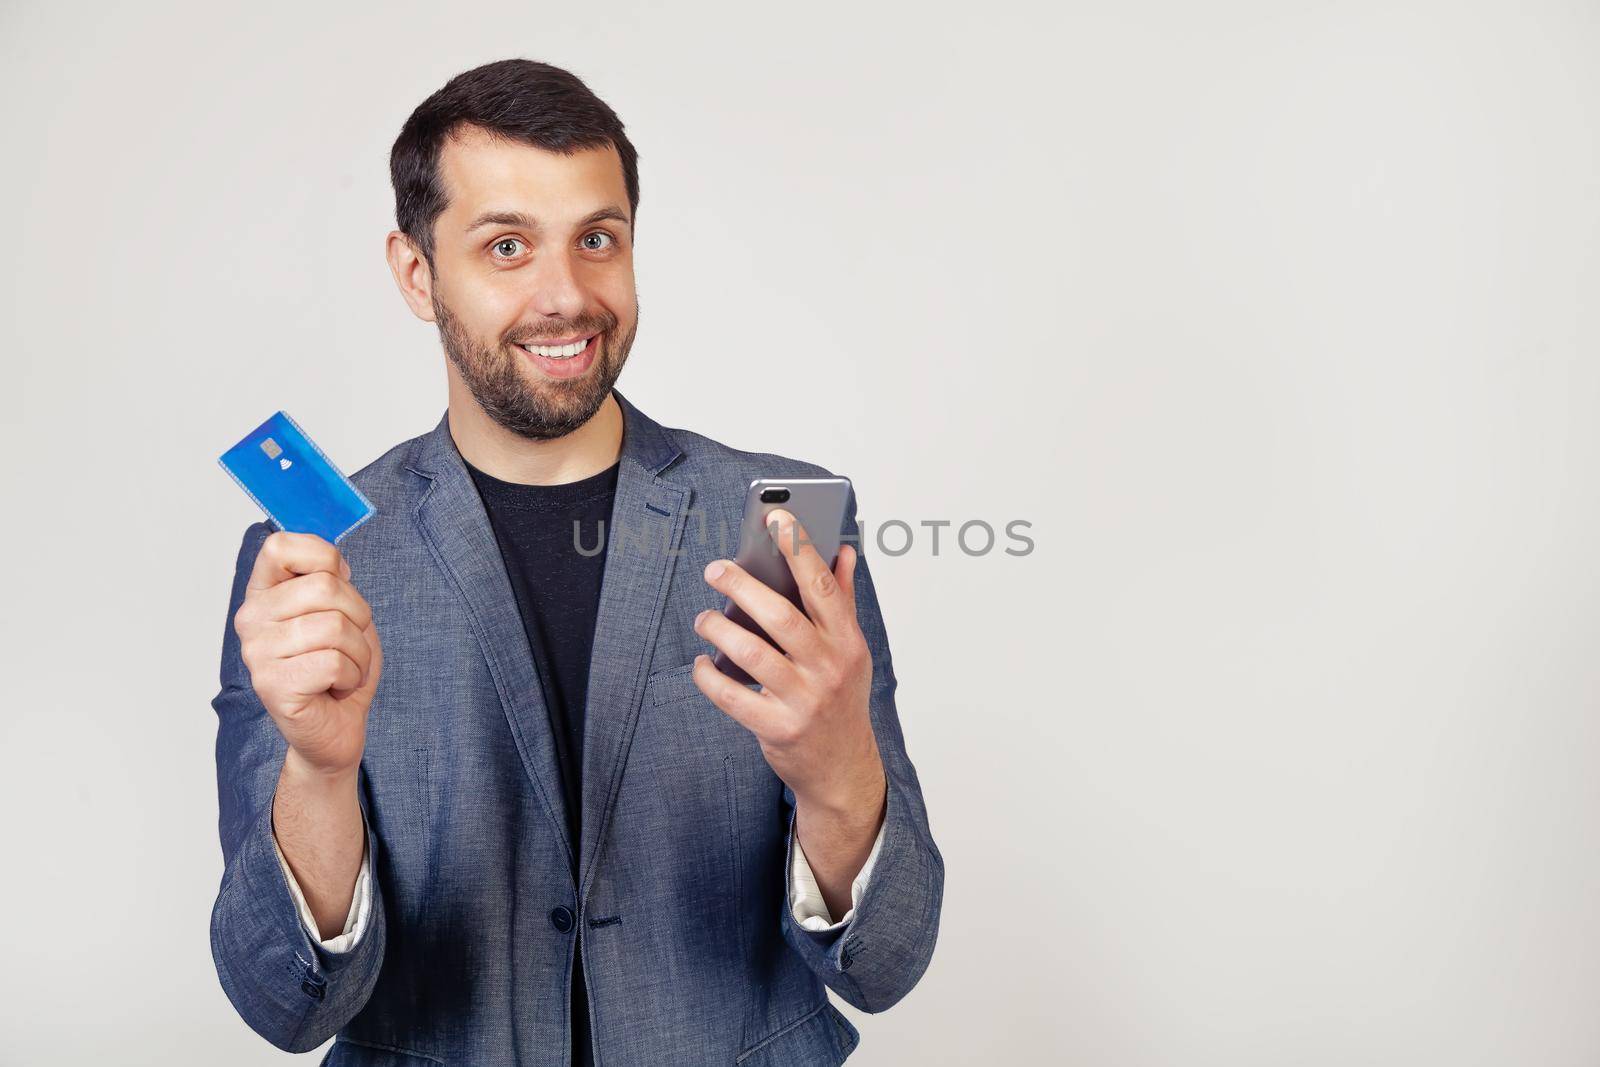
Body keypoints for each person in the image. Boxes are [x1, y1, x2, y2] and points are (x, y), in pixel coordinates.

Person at [208, 58, 943, 1066]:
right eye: (506, 245)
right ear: (417, 273)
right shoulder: (315, 562)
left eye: (597, 239)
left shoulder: (778, 521)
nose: (565, 295)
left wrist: (837, 778)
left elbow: (888, 963)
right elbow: (281, 1003)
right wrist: (322, 772)